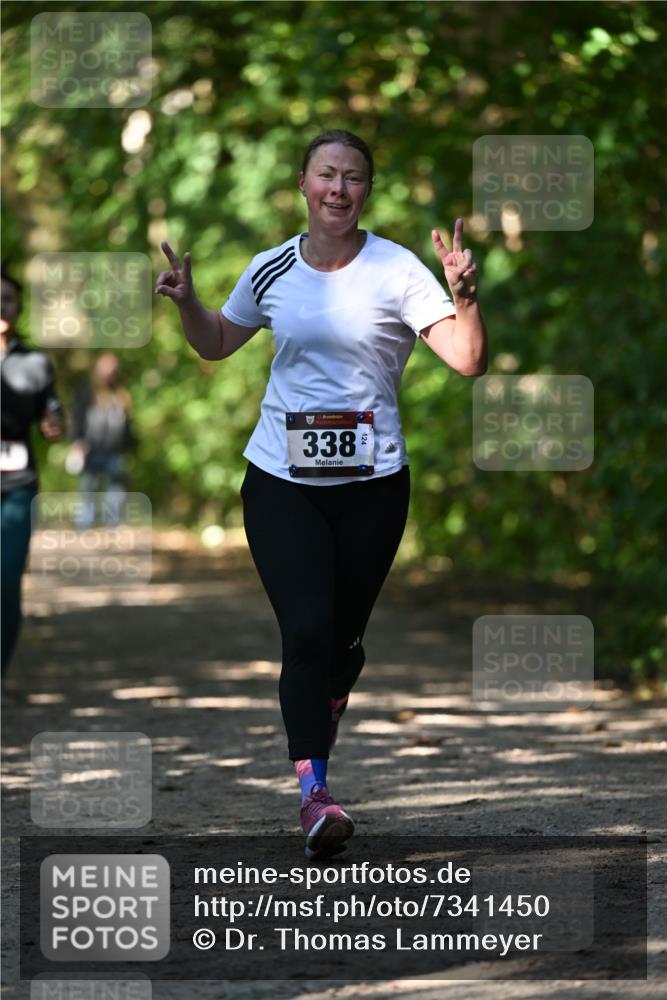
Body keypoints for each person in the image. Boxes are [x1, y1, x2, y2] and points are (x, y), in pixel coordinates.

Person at [155, 128, 488, 859]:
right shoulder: (272, 267)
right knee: (305, 630)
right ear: (302, 184)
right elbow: (215, 342)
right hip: (280, 481)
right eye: (326, 175)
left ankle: (332, 688)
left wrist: (463, 296)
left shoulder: (398, 269)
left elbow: (465, 359)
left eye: (354, 177)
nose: (339, 189)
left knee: (340, 644)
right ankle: (315, 794)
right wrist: (187, 302)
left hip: (374, 487)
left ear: (368, 190)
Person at [1, 262, 64, 693]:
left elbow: (53, 412)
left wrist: (53, 424)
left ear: (19, 307)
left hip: (17, 486)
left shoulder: (35, 363)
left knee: (6, 581)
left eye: (8, 298)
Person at [67, 353, 136, 528]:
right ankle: (85, 523)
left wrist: (132, 444)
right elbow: (77, 417)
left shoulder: (121, 395)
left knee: (116, 488)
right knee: (88, 486)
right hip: (90, 448)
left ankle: (114, 523)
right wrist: (76, 442)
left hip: (115, 450)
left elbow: (127, 423)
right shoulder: (86, 391)